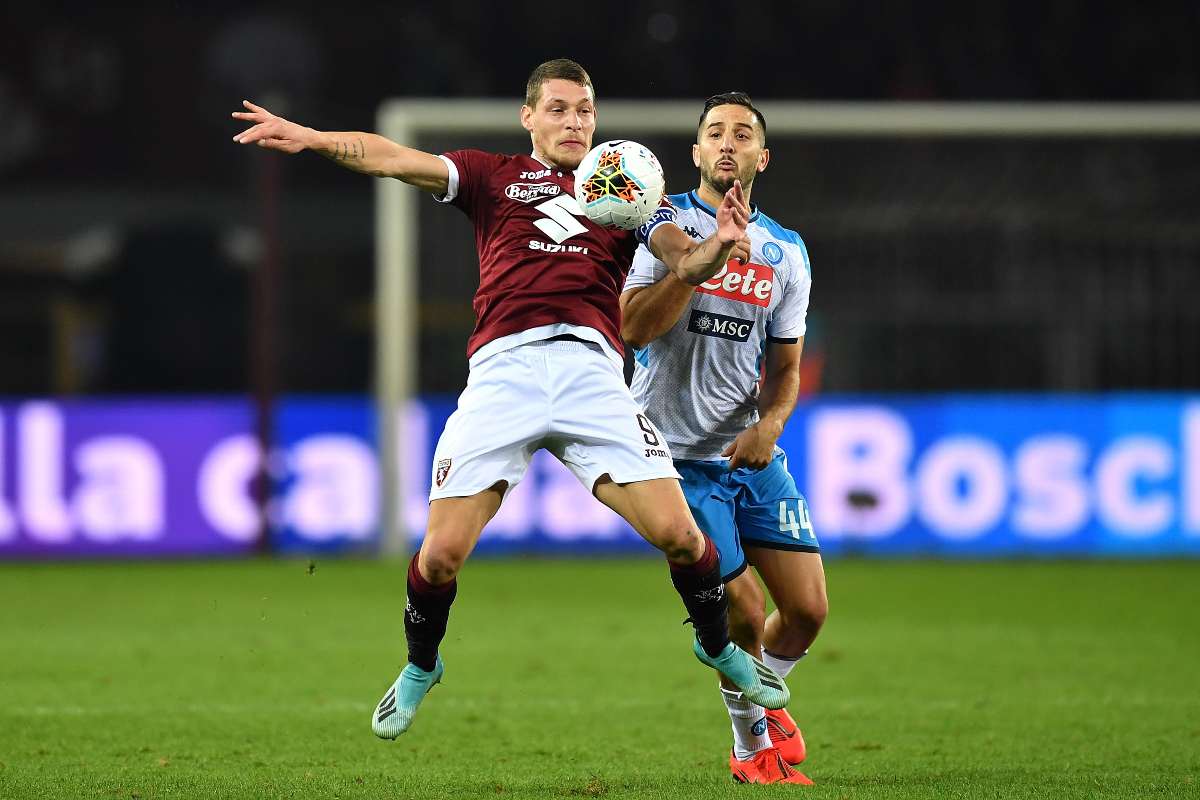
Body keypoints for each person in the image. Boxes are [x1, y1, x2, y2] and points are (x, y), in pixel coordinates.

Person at [230, 60, 791, 742]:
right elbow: (392, 158)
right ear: (530, 117)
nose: (573, 122)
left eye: (583, 110)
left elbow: (686, 262)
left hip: (591, 373)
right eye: (557, 109)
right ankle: (421, 666)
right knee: (439, 558)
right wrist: (314, 138)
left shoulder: (631, 189)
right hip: (504, 373)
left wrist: (721, 247)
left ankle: (717, 646)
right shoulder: (493, 176)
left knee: (681, 536)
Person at [620, 92, 828, 785]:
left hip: (748, 449)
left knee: (805, 612)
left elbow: (788, 366)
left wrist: (770, 426)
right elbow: (632, 329)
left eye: (744, 134)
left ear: (762, 158)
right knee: (744, 607)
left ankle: (763, 707)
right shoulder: (659, 223)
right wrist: (706, 259)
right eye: (715, 133)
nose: (729, 142)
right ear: (696, 153)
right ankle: (750, 747)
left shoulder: (787, 252)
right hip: (672, 457)